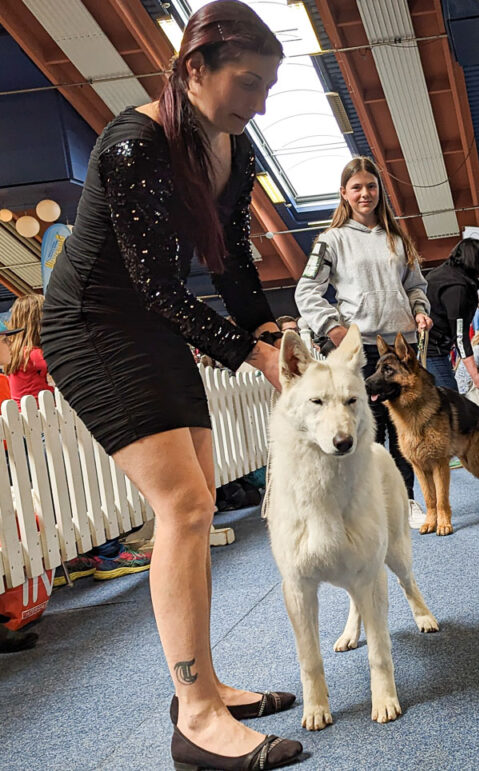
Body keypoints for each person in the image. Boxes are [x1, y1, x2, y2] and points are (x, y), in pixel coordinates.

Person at [38, 3, 305, 768]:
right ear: (194, 70)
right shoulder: (133, 146)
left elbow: (232, 266)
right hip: (92, 325)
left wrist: (267, 334)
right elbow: (157, 286)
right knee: (185, 504)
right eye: (247, 83)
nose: (258, 101)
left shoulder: (231, 146)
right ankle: (194, 716)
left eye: (268, 86)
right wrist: (249, 356)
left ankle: (208, 684)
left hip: (152, 328)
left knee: (195, 497)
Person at [295, 155, 431, 525]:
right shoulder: (330, 241)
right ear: (344, 193)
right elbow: (307, 292)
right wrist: (332, 326)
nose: (364, 193)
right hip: (357, 352)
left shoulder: (397, 239)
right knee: (365, 430)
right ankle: (367, 506)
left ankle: (405, 502)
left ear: (379, 191)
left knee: (406, 431)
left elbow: (416, 286)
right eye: (356, 187)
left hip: (398, 350)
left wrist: (419, 309)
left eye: (371, 186)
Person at [424, 238, 479, 392]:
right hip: (432, 350)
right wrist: (475, 375)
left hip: (432, 347)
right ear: (474, 259)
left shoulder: (448, 273)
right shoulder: (457, 288)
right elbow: (460, 335)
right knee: (451, 398)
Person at [4, 295, 54, 402]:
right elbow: (63, 365)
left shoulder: (15, 352)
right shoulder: (34, 354)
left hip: (22, 413)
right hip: (40, 413)